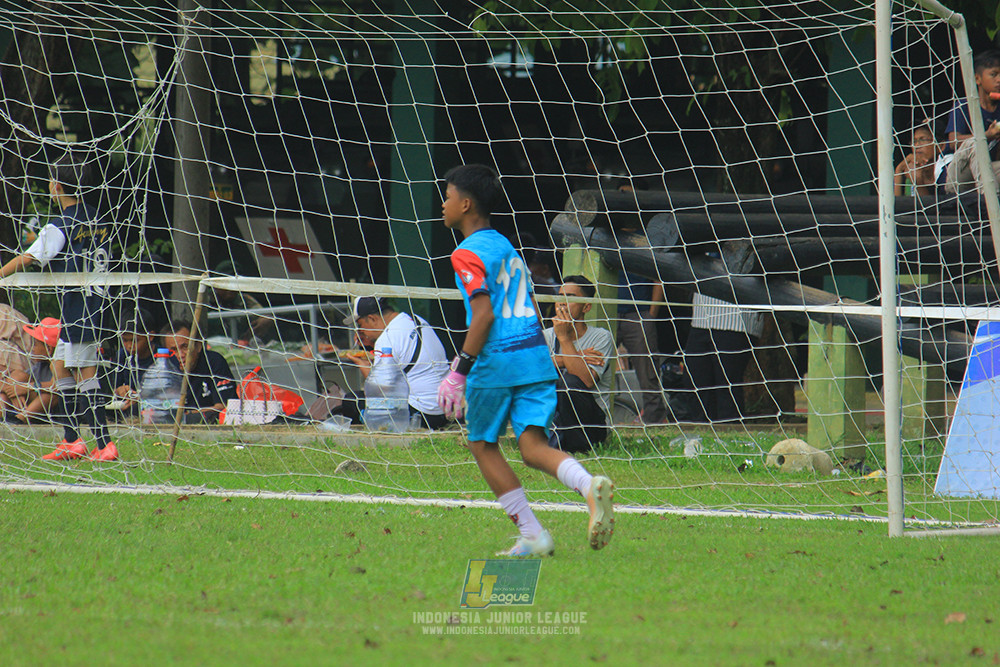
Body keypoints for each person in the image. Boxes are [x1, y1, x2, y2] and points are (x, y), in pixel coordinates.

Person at [437, 163, 614, 557]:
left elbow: (484, 315)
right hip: (535, 357)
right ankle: (588, 486)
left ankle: (533, 533)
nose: (443, 205)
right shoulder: (505, 246)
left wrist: (459, 370)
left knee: (482, 444)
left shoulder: (465, 254)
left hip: (497, 362)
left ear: (465, 204)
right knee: (533, 446)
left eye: (447, 197)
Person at [0, 153, 117, 461]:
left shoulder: (61, 224)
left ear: (55, 186)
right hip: (94, 301)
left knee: (86, 373)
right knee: (61, 366)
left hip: (82, 306)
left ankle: (105, 444)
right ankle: (72, 440)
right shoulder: (97, 216)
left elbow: (30, 257)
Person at [342, 296, 450, 429]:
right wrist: (371, 344)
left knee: (352, 400)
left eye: (360, 325)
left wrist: (364, 367)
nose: (360, 331)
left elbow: (381, 390)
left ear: (372, 318)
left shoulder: (386, 338)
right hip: (445, 410)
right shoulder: (416, 320)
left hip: (420, 414)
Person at [543, 276, 615, 452]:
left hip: (589, 424)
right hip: (553, 418)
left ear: (586, 306)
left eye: (570, 297)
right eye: (560, 296)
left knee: (569, 382)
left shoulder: (601, 337)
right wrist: (577, 357)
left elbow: (586, 380)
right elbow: (529, 371)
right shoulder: (545, 336)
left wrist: (564, 338)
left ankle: (576, 447)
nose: (562, 303)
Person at [683, 293, 763, 423]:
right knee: (694, 379)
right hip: (700, 318)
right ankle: (702, 432)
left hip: (736, 321)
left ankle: (729, 433)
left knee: (727, 384)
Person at [160, 318, 237, 424]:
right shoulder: (165, 368)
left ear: (198, 345)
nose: (180, 355)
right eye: (173, 350)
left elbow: (223, 407)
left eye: (185, 347)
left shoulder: (214, 362)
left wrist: (187, 416)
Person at [945, 50, 1000, 194]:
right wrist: (987, 135)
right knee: (974, 142)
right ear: (978, 79)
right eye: (994, 74)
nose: (999, 80)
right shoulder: (963, 106)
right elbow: (953, 141)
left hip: (985, 172)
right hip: (956, 175)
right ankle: (988, 203)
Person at [1, 317, 59, 424]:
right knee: (17, 378)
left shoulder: (62, 366)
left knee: (51, 394)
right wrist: (15, 392)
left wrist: (28, 387)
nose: (32, 348)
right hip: (37, 411)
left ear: (49, 349)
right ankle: (5, 419)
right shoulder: (40, 366)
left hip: (56, 411)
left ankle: (20, 419)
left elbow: (58, 387)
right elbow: (13, 379)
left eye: (36, 344)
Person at [204, 260, 276, 343]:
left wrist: (265, 320)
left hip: (239, 348)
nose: (231, 288)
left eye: (235, 284)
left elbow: (266, 314)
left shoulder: (244, 300)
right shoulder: (204, 299)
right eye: (227, 284)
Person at [107, 308, 157, 418]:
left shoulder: (161, 359)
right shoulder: (121, 356)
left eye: (135, 340)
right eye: (125, 340)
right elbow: (111, 389)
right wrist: (119, 390)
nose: (129, 345)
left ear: (150, 336)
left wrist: (142, 397)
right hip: (126, 410)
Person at [894, 123, 950, 197]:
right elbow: (895, 205)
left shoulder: (947, 170)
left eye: (922, 140)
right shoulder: (909, 171)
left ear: (941, 146)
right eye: (914, 141)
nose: (916, 145)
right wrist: (899, 170)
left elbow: (933, 207)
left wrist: (918, 182)